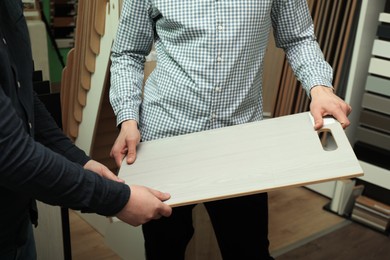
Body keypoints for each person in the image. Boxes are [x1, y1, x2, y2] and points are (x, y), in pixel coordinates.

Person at [109, 1, 352, 259]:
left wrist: (320, 89)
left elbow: (298, 38)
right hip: (166, 140)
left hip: (240, 142)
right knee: (164, 250)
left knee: (249, 250)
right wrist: (128, 119)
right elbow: (127, 52)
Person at [0, 1, 172, 259]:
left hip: (15, 223)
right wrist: (118, 200)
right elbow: (12, 156)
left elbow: (22, 94)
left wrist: (79, 161)